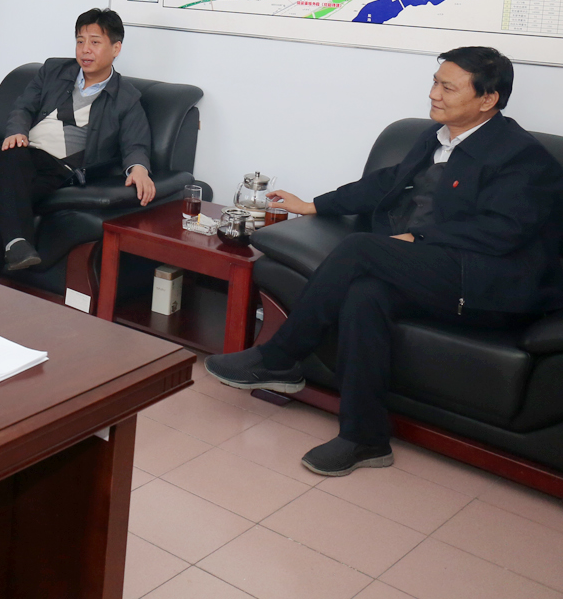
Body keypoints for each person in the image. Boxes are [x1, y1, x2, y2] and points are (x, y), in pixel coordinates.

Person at [205, 47, 563, 477]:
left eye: (448, 88)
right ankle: (365, 437)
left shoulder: (522, 157)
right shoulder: (437, 137)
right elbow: (387, 182)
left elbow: (504, 230)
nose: (434, 94)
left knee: (362, 249)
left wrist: (419, 237)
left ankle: (280, 356)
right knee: (365, 294)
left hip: (487, 283)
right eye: (435, 82)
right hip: (436, 268)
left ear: (488, 99)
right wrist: (314, 205)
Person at [0, 7, 156, 280]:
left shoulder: (126, 98)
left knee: (1, 199)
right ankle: (18, 241)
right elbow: (23, 107)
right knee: (15, 156)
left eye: (95, 42)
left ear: (116, 48)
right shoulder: (53, 70)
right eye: (80, 41)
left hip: (56, 171)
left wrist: (139, 168)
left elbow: (135, 143)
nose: (85, 49)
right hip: (13, 157)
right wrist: (17, 132)